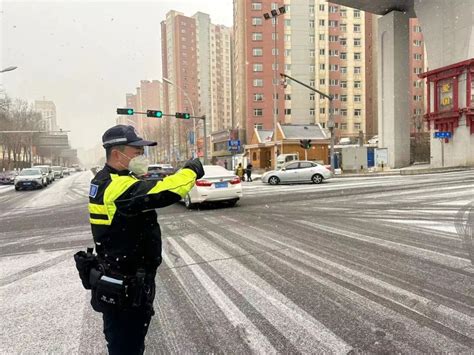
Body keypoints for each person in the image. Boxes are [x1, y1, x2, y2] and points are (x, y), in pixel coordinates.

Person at [74, 125, 204, 355]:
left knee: (125, 342)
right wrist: (191, 170)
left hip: (119, 275)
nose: (141, 157)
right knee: (126, 347)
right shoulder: (116, 186)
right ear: (117, 153)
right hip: (125, 283)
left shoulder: (106, 179)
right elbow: (166, 191)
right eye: (136, 152)